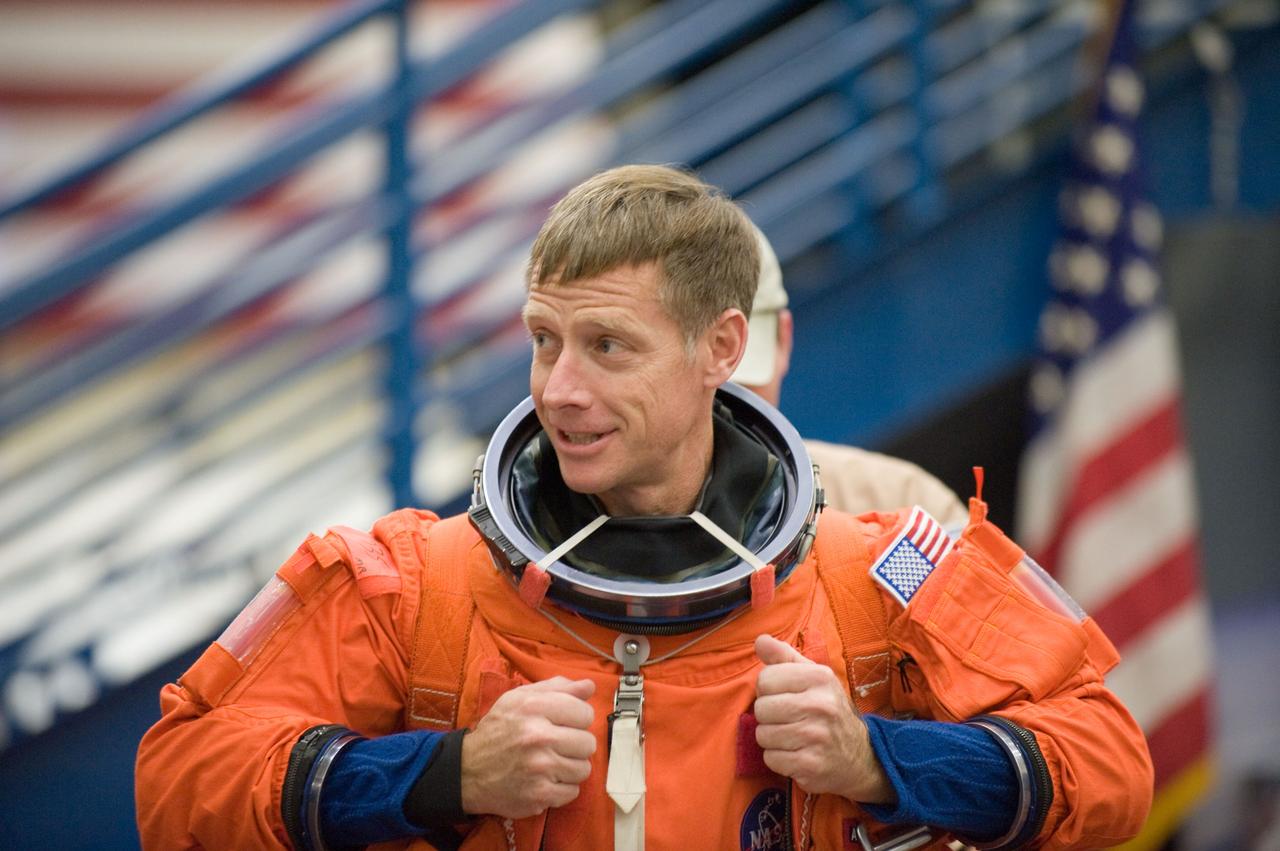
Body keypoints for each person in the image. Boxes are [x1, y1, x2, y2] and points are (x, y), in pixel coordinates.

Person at [136, 164, 1153, 851]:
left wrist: (874, 757)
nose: (557, 389)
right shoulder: (405, 585)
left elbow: (1111, 758)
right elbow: (175, 778)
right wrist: (444, 772)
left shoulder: (887, 566)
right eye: (543, 340)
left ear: (719, 348)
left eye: (607, 346)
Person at [732, 226, 969, 529]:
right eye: (709, 389)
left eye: (739, 384)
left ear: (784, 341)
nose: (722, 410)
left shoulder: (904, 501)